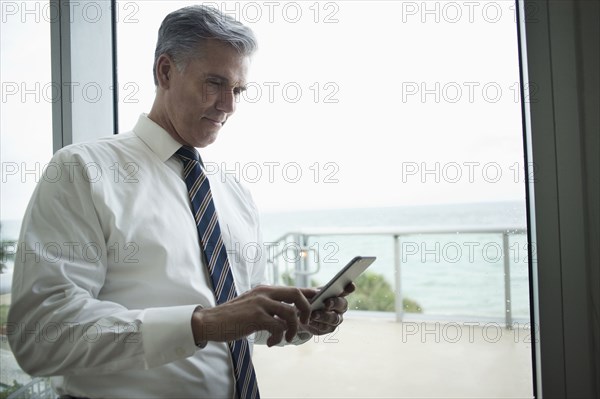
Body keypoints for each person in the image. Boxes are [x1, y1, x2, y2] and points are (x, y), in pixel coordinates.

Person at [7, 5, 352, 398]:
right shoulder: (81, 171)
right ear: (165, 71)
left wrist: (299, 319)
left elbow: (243, 319)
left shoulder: (232, 191)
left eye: (237, 90)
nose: (229, 106)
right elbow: (42, 336)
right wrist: (202, 324)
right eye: (214, 83)